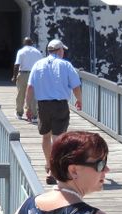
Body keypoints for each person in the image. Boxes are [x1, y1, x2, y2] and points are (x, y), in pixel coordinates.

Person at [25, 39, 83, 184]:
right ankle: (55, 169)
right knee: (58, 138)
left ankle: (49, 165)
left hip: (43, 105)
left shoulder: (38, 65)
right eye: (63, 50)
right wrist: (79, 99)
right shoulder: (66, 65)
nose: (64, 52)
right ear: (59, 51)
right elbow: (76, 86)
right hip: (60, 105)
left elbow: (30, 87)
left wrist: (27, 107)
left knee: (46, 136)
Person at [12, 37, 42, 122]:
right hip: (34, 74)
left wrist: (14, 76)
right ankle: (34, 116)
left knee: (21, 94)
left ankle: (19, 113)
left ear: (24, 43)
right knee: (33, 95)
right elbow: (41, 65)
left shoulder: (21, 51)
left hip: (23, 74)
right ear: (32, 43)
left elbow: (17, 65)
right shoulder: (37, 52)